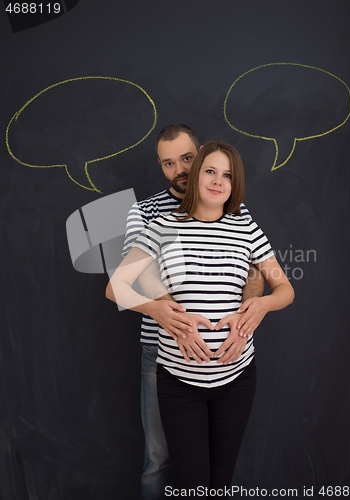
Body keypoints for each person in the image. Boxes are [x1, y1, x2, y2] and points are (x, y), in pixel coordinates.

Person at [107, 140, 295, 494]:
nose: (217, 180)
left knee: (219, 485)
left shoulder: (246, 229)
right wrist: (156, 308)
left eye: (227, 174)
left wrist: (262, 305)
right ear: (196, 176)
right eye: (210, 170)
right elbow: (116, 287)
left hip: (236, 380)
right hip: (179, 383)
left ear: (234, 183)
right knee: (191, 484)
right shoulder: (162, 225)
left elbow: (285, 290)